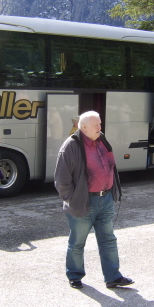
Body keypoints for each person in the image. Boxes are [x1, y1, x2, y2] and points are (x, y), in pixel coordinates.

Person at [54, 111, 134, 289]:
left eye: (100, 124)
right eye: (96, 125)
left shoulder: (101, 139)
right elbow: (61, 180)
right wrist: (73, 200)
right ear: (84, 127)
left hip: (105, 199)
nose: (100, 127)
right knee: (77, 242)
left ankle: (113, 277)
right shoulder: (71, 145)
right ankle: (75, 276)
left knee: (108, 240)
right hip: (84, 202)